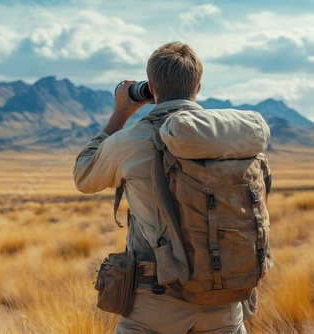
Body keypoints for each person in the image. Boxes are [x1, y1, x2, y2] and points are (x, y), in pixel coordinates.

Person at [73, 42, 249, 333]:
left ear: (151, 89)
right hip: (225, 296)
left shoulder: (131, 141)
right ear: (199, 87)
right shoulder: (229, 138)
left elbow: (84, 177)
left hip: (157, 298)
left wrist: (120, 113)